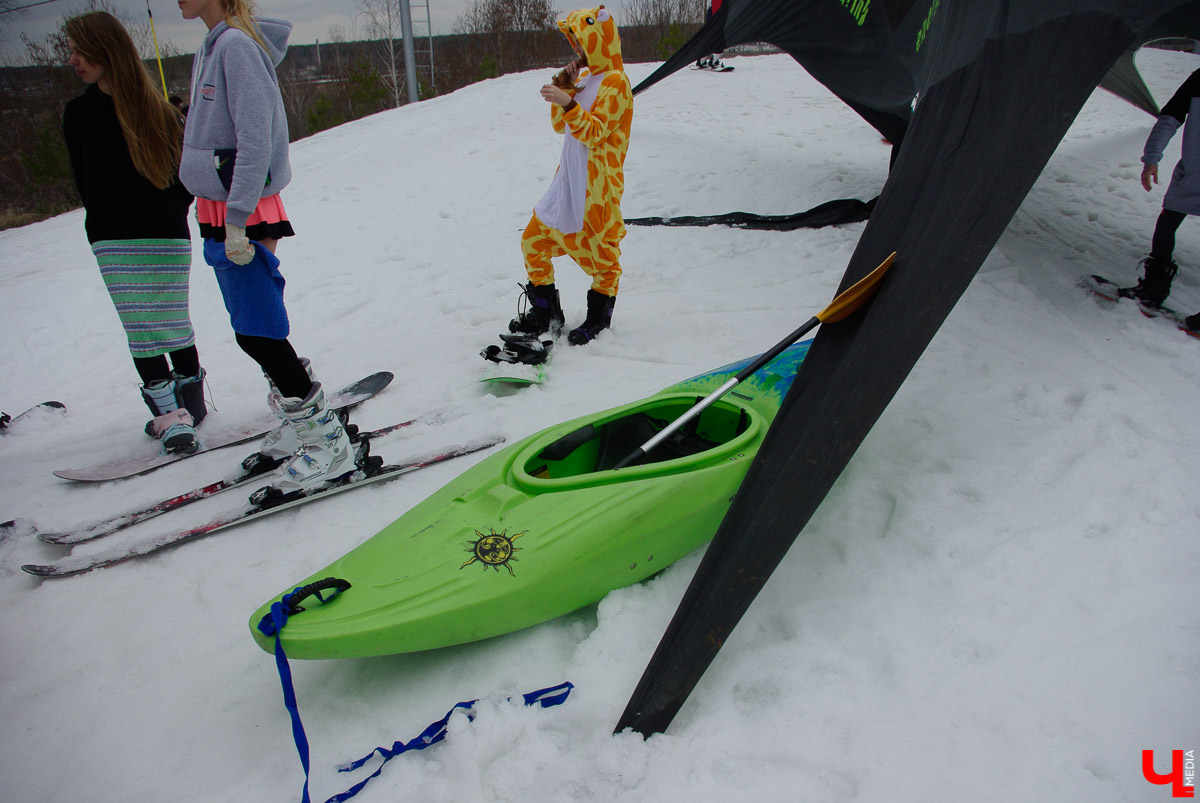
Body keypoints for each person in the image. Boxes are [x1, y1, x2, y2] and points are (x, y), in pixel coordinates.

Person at [177, 0, 356, 492]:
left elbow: (257, 139)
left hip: (244, 208)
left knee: (258, 331)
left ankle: (328, 445)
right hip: (225, 205)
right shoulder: (213, 47)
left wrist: (237, 219)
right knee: (252, 328)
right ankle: (300, 423)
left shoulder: (236, 46)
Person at [62, 11, 206, 453]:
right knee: (142, 325)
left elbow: (186, 178)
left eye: (81, 50)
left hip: (161, 235)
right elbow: (85, 181)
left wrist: (167, 215)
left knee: (164, 323)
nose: (74, 60)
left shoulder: (158, 109)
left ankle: (185, 407)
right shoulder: (79, 113)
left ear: (107, 49)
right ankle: (173, 411)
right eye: (71, 51)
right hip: (113, 238)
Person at [509, 5, 634, 346]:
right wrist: (565, 86)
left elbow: (595, 132)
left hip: (594, 189)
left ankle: (598, 320)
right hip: (567, 181)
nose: (577, 49)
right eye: (574, 42)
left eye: (582, 41)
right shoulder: (586, 79)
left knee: (603, 261)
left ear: (598, 39)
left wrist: (568, 103)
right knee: (533, 241)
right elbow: (559, 125)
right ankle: (546, 313)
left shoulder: (617, 83)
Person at [1137, 69, 1200, 333]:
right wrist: (1152, 158)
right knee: (1166, 225)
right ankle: (1154, 287)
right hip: (1192, 177)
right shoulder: (1199, 80)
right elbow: (1169, 119)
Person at [696, 0, 726, 70]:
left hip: (714, 13)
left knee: (710, 38)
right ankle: (713, 62)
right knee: (719, 39)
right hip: (718, 15)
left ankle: (702, 61)